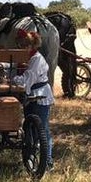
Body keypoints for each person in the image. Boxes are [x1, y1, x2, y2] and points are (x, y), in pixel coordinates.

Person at [14, 29, 55, 170]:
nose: (21, 48)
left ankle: (47, 161)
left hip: (40, 95)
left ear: (31, 46)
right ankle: (31, 157)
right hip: (31, 96)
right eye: (20, 45)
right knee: (30, 129)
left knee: (42, 130)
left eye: (23, 46)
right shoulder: (29, 58)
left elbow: (27, 80)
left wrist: (11, 79)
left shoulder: (36, 59)